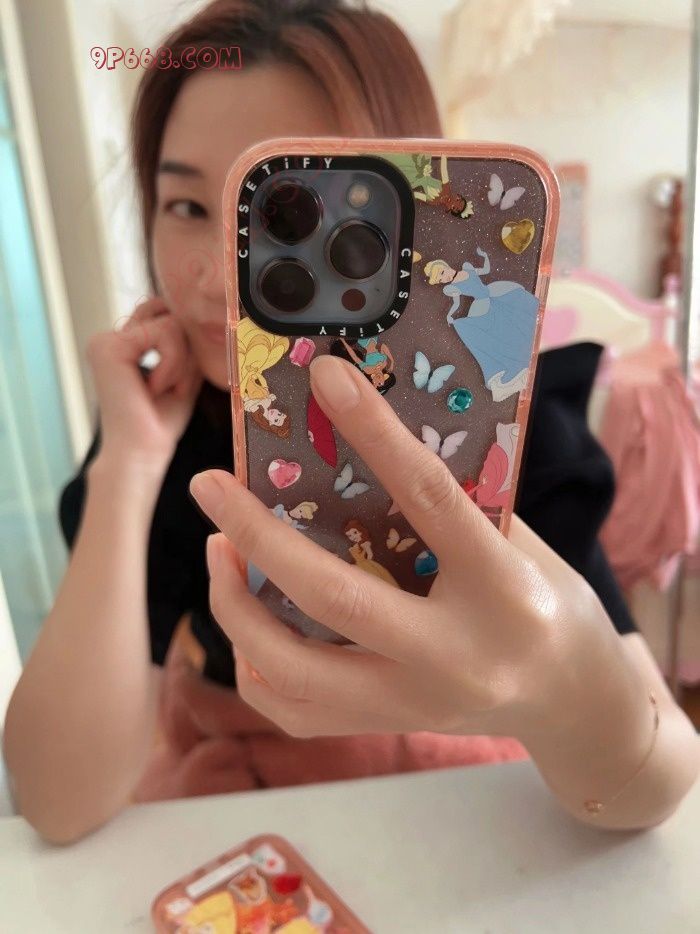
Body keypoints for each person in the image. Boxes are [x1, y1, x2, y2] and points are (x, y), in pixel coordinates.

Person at [4, 0, 698, 844]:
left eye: (289, 213)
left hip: (473, 829)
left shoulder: (496, 427)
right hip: (263, 823)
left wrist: (574, 690)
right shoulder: (168, 435)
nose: (220, 277)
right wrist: (129, 463)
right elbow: (57, 801)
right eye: (186, 206)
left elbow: (657, 788)